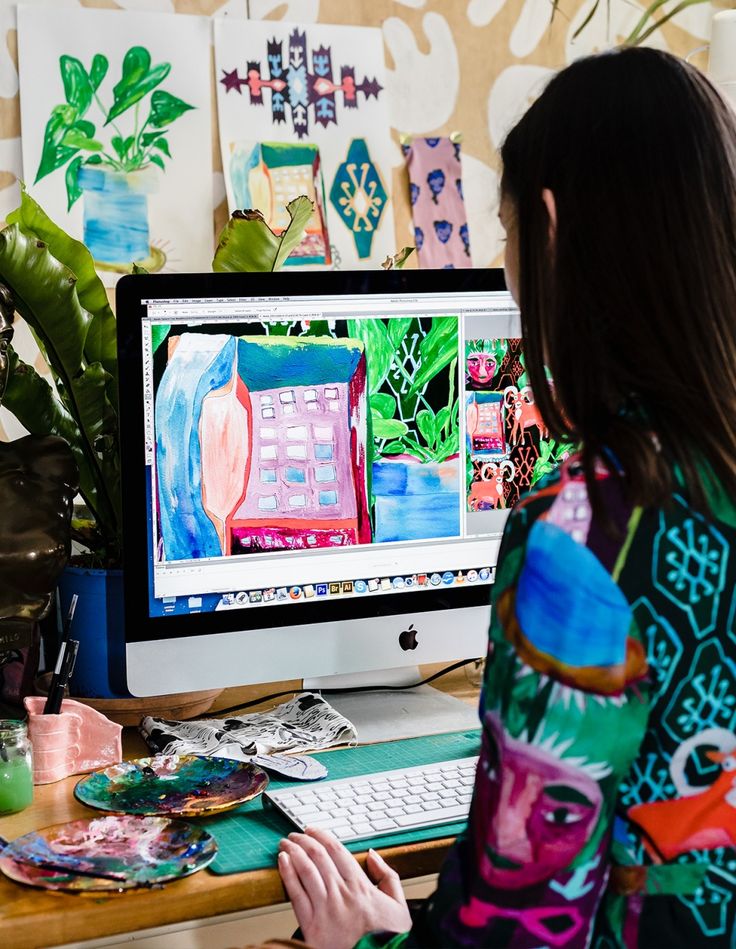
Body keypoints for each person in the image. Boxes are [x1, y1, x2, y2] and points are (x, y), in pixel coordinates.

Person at [275, 46, 736, 949]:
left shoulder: (586, 535)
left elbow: (522, 924)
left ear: (553, 230)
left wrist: (372, 938)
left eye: (508, 235)